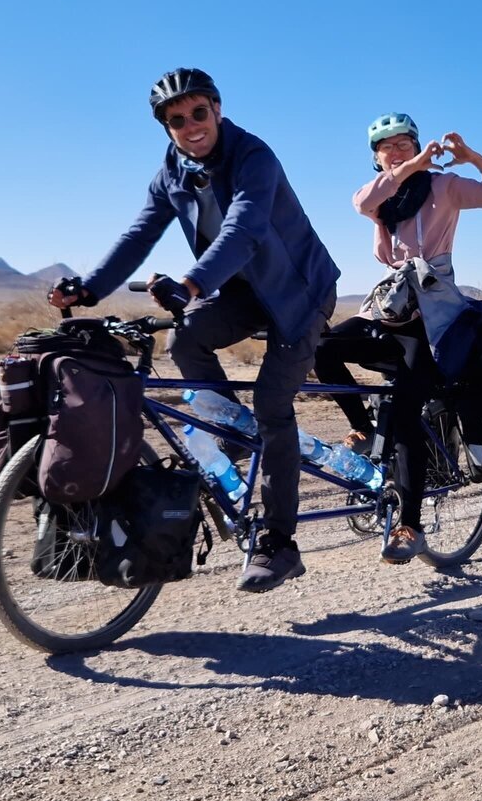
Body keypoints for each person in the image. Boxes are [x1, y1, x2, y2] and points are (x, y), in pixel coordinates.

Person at [52, 68, 340, 593]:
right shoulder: (173, 171)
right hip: (243, 293)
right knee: (184, 338)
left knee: (272, 406)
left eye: (198, 113)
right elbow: (140, 234)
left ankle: (279, 543)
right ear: (167, 128)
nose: (190, 126)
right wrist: (88, 290)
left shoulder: (253, 156)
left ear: (217, 109)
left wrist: (192, 284)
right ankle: (234, 434)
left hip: (300, 293)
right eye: (177, 120)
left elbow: (245, 229)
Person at [312, 112, 482, 563]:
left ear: (419, 146)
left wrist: (472, 158)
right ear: (376, 158)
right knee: (322, 347)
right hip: (388, 308)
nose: (395, 151)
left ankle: (410, 526)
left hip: (431, 317)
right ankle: (363, 428)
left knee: (406, 414)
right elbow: (361, 202)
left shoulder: (445, 186)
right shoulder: (380, 198)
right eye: (385, 146)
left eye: (404, 143)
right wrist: (408, 168)